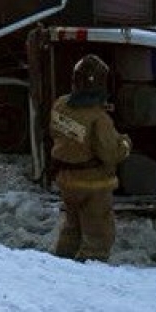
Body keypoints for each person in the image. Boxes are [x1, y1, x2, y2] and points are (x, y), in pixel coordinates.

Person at [50, 54, 132, 262]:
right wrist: (125, 143)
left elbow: (62, 133)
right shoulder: (99, 119)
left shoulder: (60, 105)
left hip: (66, 179)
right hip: (93, 184)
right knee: (98, 234)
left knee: (72, 227)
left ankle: (60, 264)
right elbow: (110, 153)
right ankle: (92, 274)